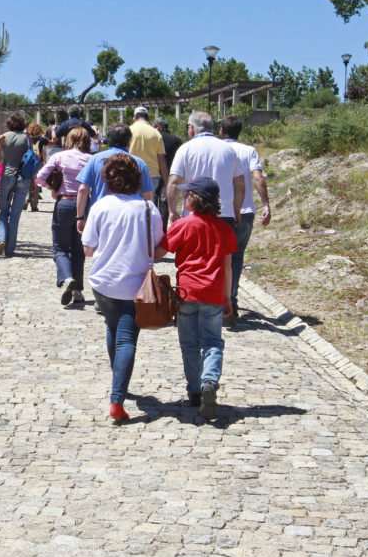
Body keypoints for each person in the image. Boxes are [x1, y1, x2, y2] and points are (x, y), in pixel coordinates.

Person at [82, 153, 163, 423]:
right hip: (134, 284)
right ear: (138, 178)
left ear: (108, 179)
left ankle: (119, 377)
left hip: (103, 283)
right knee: (127, 337)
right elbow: (158, 246)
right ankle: (117, 400)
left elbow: (88, 249)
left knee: (112, 327)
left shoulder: (101, 206)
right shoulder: (148, 208)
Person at [156, 177, 237, 420]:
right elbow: (228, 267)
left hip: (187, 293)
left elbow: (160, 253)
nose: (184, 198)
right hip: (213, 294)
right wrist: (228, 298)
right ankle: (209, 381)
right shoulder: (225, 228)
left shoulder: (183, 225)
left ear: (195, 199)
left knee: (189, 344)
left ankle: (194, 392)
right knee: (212, 342)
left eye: (187, 194)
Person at [218, 116, 271, 324]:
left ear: (221, 131)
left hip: (220, 212)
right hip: (246, 211)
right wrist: (266, 204)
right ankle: (231, 302)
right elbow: (258, 177)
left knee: (217, 257)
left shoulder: (217, 149)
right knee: (236, 258)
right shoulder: (249, 151)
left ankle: (215, 304)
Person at [35, 127, 91, 306]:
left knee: (60, 248)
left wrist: (53, 188)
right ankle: (78, 291)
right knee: (78, 248)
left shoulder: (59, 157)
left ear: (69, 140)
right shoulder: (91, 159)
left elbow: (40, 177)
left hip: (64, 202)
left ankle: (66, 278)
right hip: (85, 205)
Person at [164, 110, 245, 232]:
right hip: (224, 214)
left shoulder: (185, 149)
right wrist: (236, 211)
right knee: (222, 251)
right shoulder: (229, 150)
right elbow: (239, 185)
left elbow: (174, 182)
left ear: (191, 128)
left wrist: (172, 211)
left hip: (193, 216)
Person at [74, 124, 155, 236]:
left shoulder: (95, 159)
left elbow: (83, 190)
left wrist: (80, 216)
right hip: (130, 216)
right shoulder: (139, 162)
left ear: (109, 140)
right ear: (129, 141)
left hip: (100, 214)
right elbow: (147, 195)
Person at [0, 112, 32, 256]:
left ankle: (0, 238)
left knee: (3, 210)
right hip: (23, 178)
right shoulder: (27, 138)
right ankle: (9, 249)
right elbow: (32, 160)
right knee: (15, 215)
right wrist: (34, 181)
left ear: (9, 124)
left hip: (7, 176)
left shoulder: (3, 137)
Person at [127, 106, 170, 196]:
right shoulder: (156, 133)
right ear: (148, 118)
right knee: (148, 206)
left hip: (131, 174)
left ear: (134, 118)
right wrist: (166, 184)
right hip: (152, 176)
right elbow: (161, 159)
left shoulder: (128, 131)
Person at [153, 117, 182, 228]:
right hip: (170, 175)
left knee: (153, 202)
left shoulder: (154, 139)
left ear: (158, 127)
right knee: (165, 204)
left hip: (155, 174)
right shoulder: (177, 140)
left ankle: (153, 227)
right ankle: (163, 229)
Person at [26, 121, 46, 212]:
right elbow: (44, 153)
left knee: (27, 181)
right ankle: (34, 205)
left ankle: (26, 199)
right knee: (36, 182)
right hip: (38, 162)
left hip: (28, 162)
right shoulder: (42, 140)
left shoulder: (26, 138)